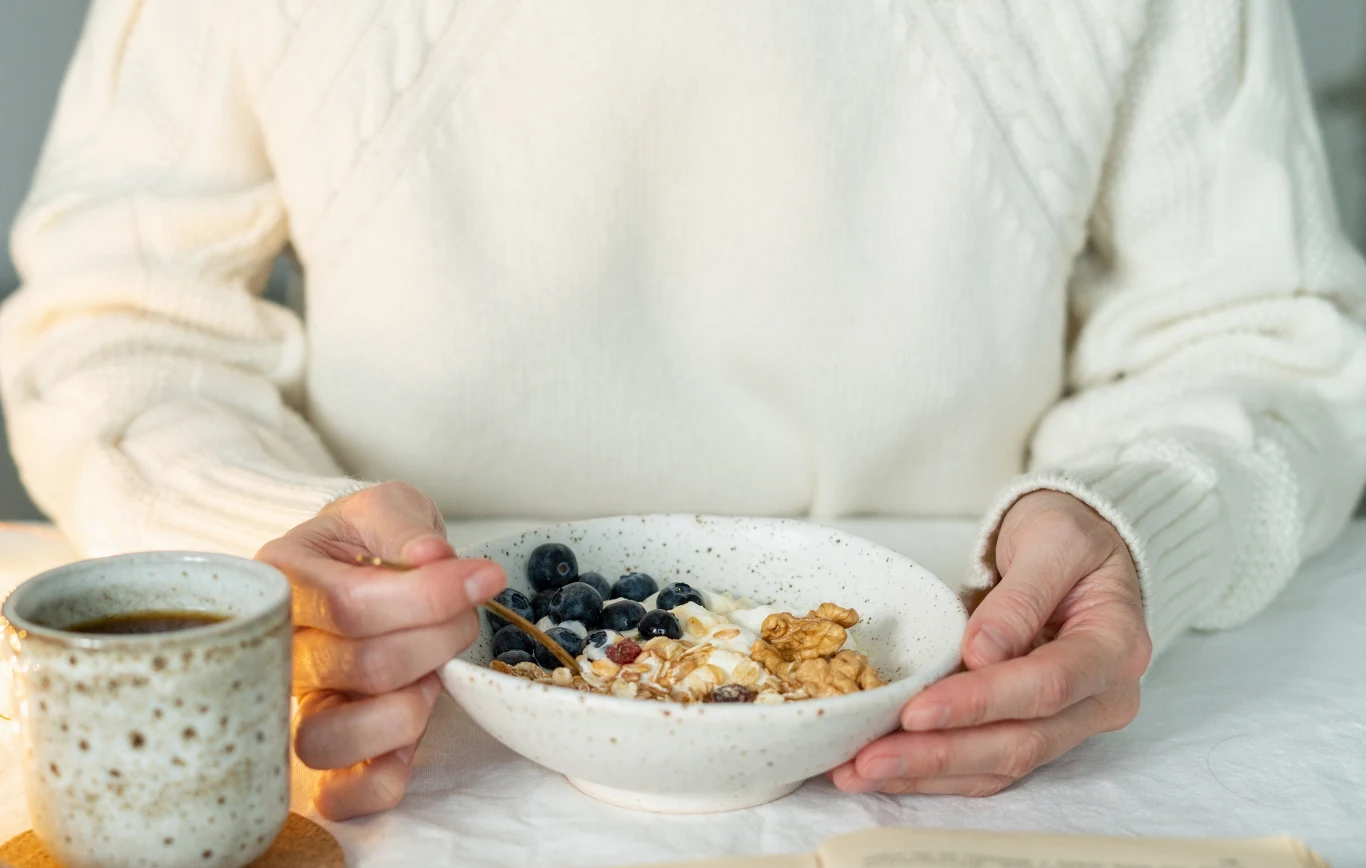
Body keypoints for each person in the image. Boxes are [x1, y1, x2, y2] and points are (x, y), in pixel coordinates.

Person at [2, 1, 1364, 821]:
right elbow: (116, 319)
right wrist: (270, 548)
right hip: (419, 748)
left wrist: (1131, 521)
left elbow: (1260, 337)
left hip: (970, 732)